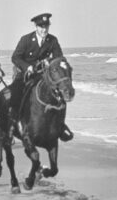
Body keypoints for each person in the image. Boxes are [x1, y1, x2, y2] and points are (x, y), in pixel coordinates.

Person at [10, 13, 72, 141]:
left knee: (60, 94)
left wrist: (55, 62)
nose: (44, 30)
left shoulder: (52, 40)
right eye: (41, 27)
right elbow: (15, 57)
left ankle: (60, 125)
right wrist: (27, 67)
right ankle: (12, 124)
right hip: (26, 75)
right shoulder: (26, 39)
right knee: (15, 93)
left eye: (46, 27)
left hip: (44, 76)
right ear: (36, 27)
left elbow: (59, 58)